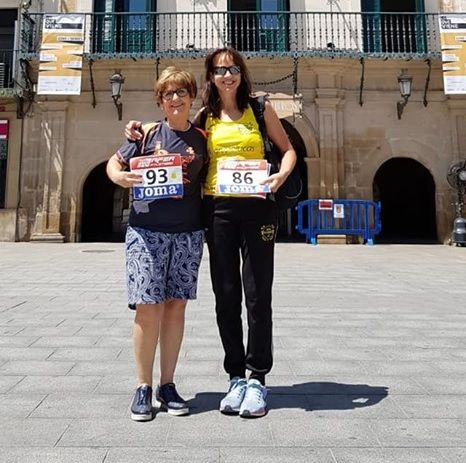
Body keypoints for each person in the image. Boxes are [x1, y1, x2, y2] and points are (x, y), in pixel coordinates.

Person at [125, 47, 296, 418]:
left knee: (257, 294)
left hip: (258, 210)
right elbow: (173, 129)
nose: (227, 75)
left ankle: (257, 378)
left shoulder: (260, 107)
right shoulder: (205, 116)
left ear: (241, 72)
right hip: (218, 211)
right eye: (220, 70)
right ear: (211, 77)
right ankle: (235, 376)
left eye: (233, 68)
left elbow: (288, 150)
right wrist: (139, 129)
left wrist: (280, 175)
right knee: (226, 295)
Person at [107, 67, 207, 421]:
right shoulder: (146, 133)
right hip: (146, 232)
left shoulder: (202, 138)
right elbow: (113, 164)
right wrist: (121, 176)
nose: (175, 98)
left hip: (188, 233)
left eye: (181, 92)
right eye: (168, 94)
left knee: (176, 307)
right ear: (160, 101)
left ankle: (167, 384)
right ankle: (142, 386)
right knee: (148, 308)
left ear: (192, 97)